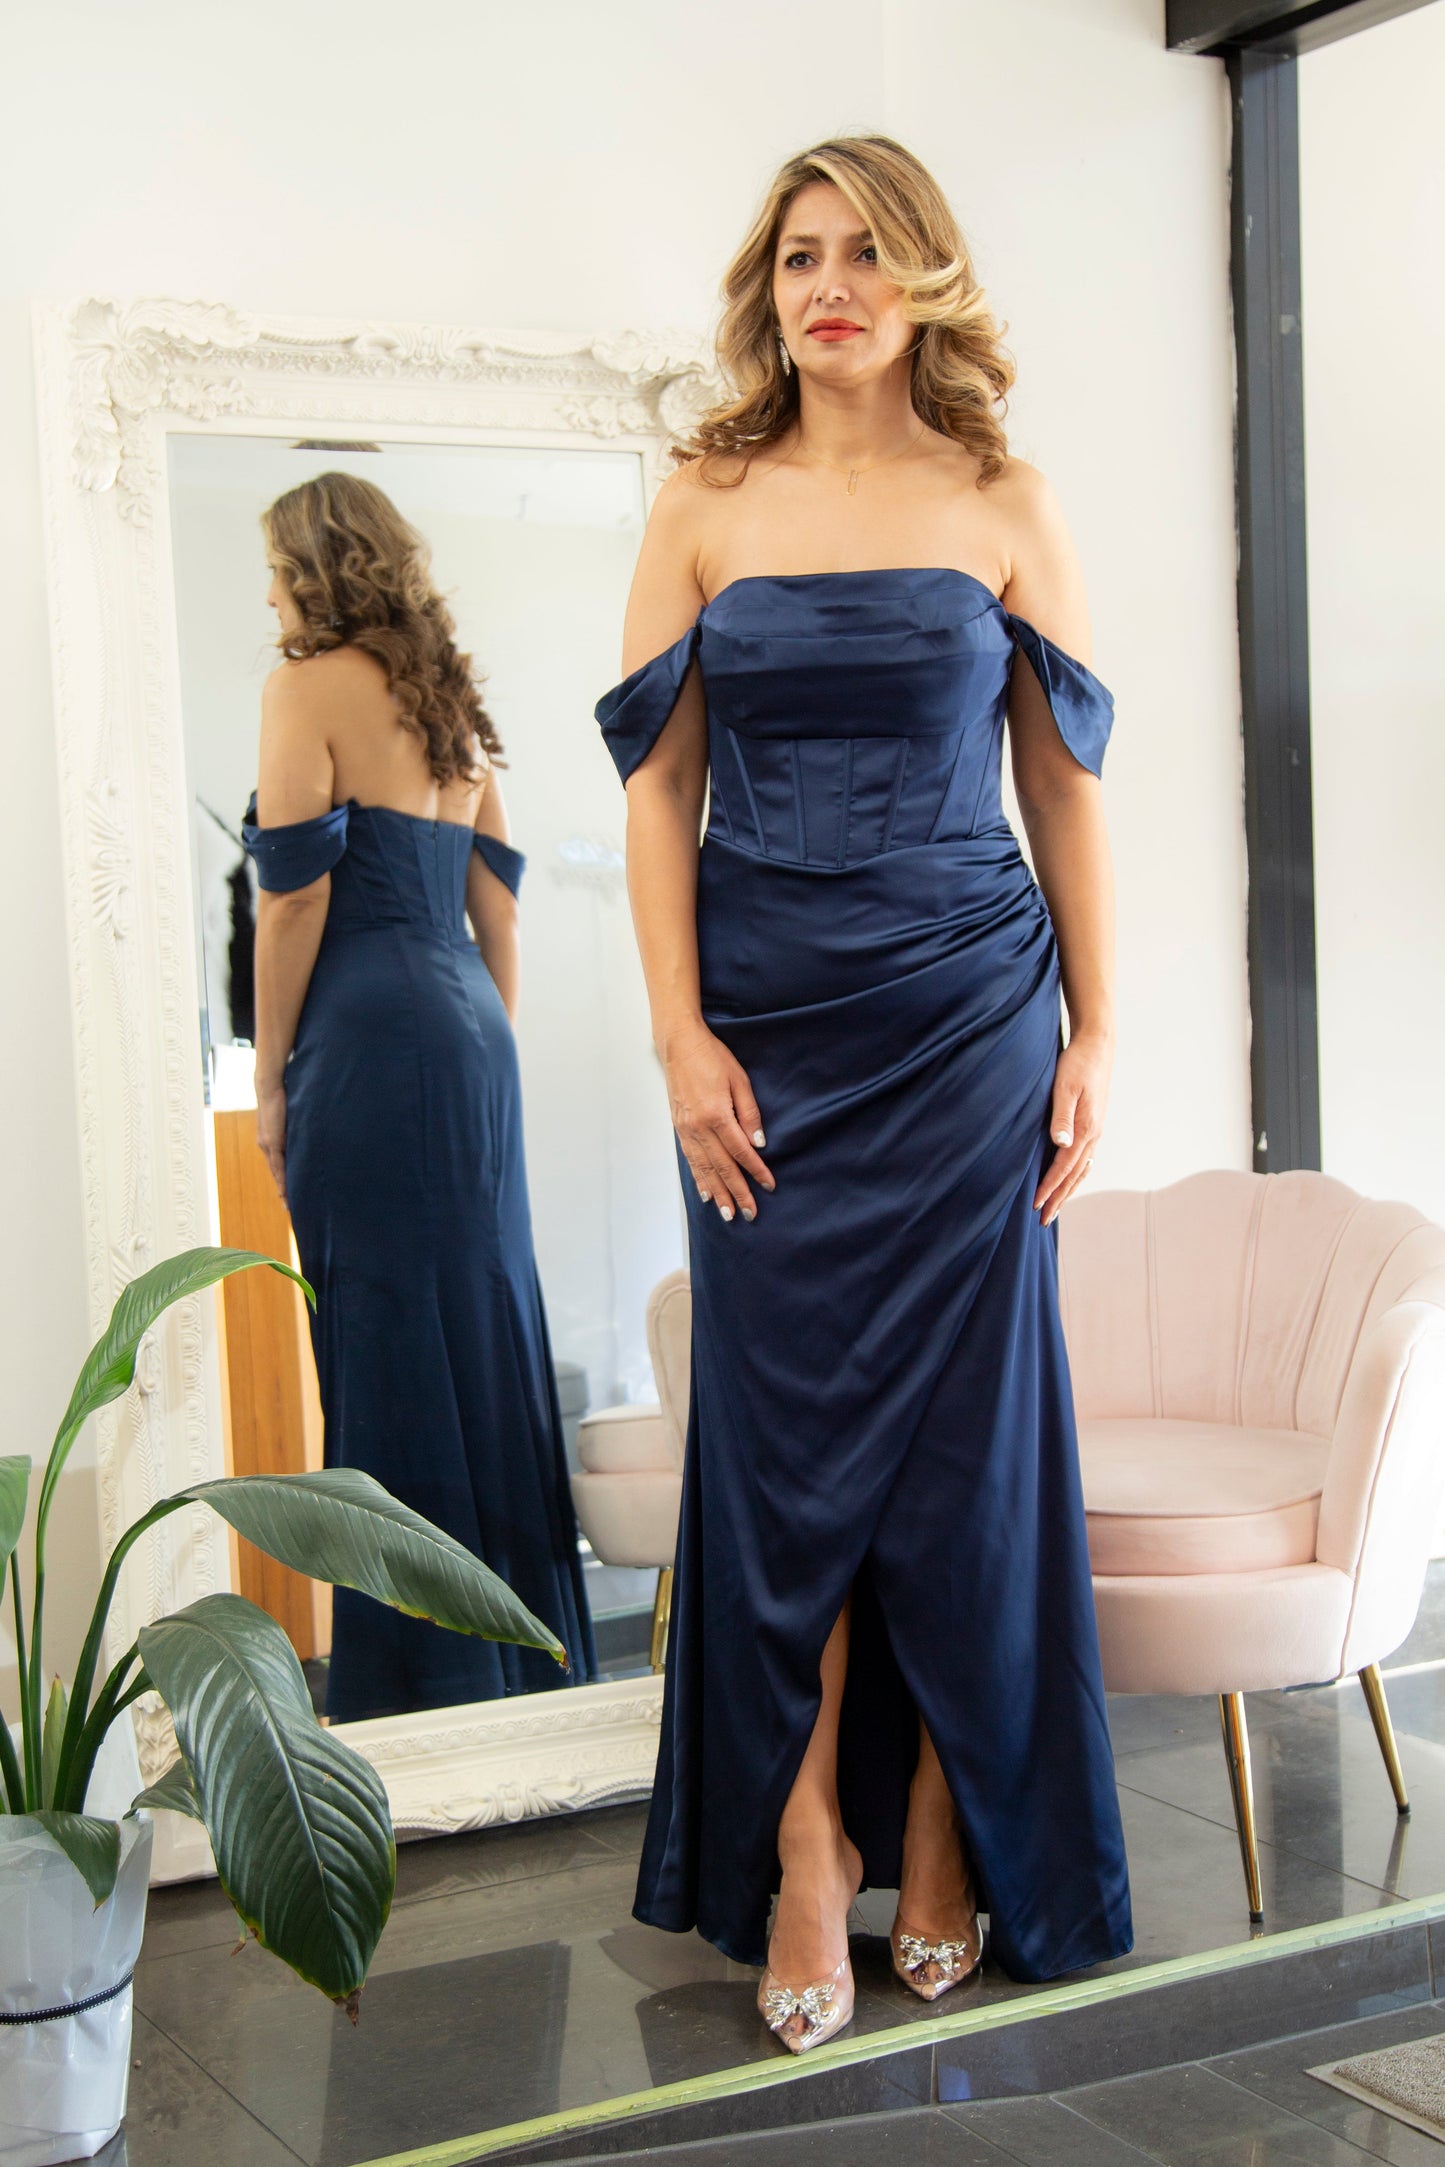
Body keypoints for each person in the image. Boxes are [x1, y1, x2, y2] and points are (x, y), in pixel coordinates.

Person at [594, 135, 1133, 2053]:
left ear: (926, 281)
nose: (830, 286)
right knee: (786, 1449)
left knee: (960, 1452)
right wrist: (678, 1034)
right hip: (765, 1034)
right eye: (800, 256)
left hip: (968, 1017)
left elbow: (1062, 787)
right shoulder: (700, 502)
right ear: (771, 290)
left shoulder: (1003, 499)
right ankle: (808, 1837)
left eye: (866, 253)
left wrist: (1095, 1033)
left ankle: (940, 1820)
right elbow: (659, 791)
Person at [242, 470, 597, 1721]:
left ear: (314, 569)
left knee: (383, 1332)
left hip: (367, 1039)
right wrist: (485, 1036)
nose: (269, 595)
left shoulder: (303, 688)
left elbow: (293, 901)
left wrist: (270, 1074)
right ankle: (520, 1660)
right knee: (486, 1322)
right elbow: (498, 904)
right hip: (467, 1032)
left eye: (274, 570)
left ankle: (418, 1683)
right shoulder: (451, 694)